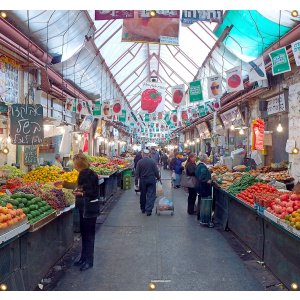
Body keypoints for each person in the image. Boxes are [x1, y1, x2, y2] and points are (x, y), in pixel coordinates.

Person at [73, 154, 99, 271]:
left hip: (89, 209)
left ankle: (89, 261)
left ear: (79, 164)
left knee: (89, 236)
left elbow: (92, 192)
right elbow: (80, 188)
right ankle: (83, 258)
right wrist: (63, 183)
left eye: (74, 163)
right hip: (84, 209)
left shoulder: (88, 175)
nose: (73, 165)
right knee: (84, 235)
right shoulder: (85, 174)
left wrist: (80, 193)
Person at [135, 149, 161, 216]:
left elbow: (137, 173)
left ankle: (143, 209)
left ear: (143, 154)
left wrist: (136, 182)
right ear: (149, 154)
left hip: (143, 181)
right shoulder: (152, 161)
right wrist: (158, 178)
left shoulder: (140, 162)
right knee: (151, 195)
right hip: (151, 180)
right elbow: (156, 171)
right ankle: (148, 210)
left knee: (143, 195)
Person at [195, 153, 212, 219]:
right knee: (203, 201)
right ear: (204, 159)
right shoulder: (202, 167)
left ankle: (199, 215)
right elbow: (202, 177)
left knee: (200, 200)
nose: (208, 159)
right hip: (203, 187)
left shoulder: (199, 165)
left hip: (199, 186)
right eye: (207, 158)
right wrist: (208, 180)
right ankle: (203, 216)